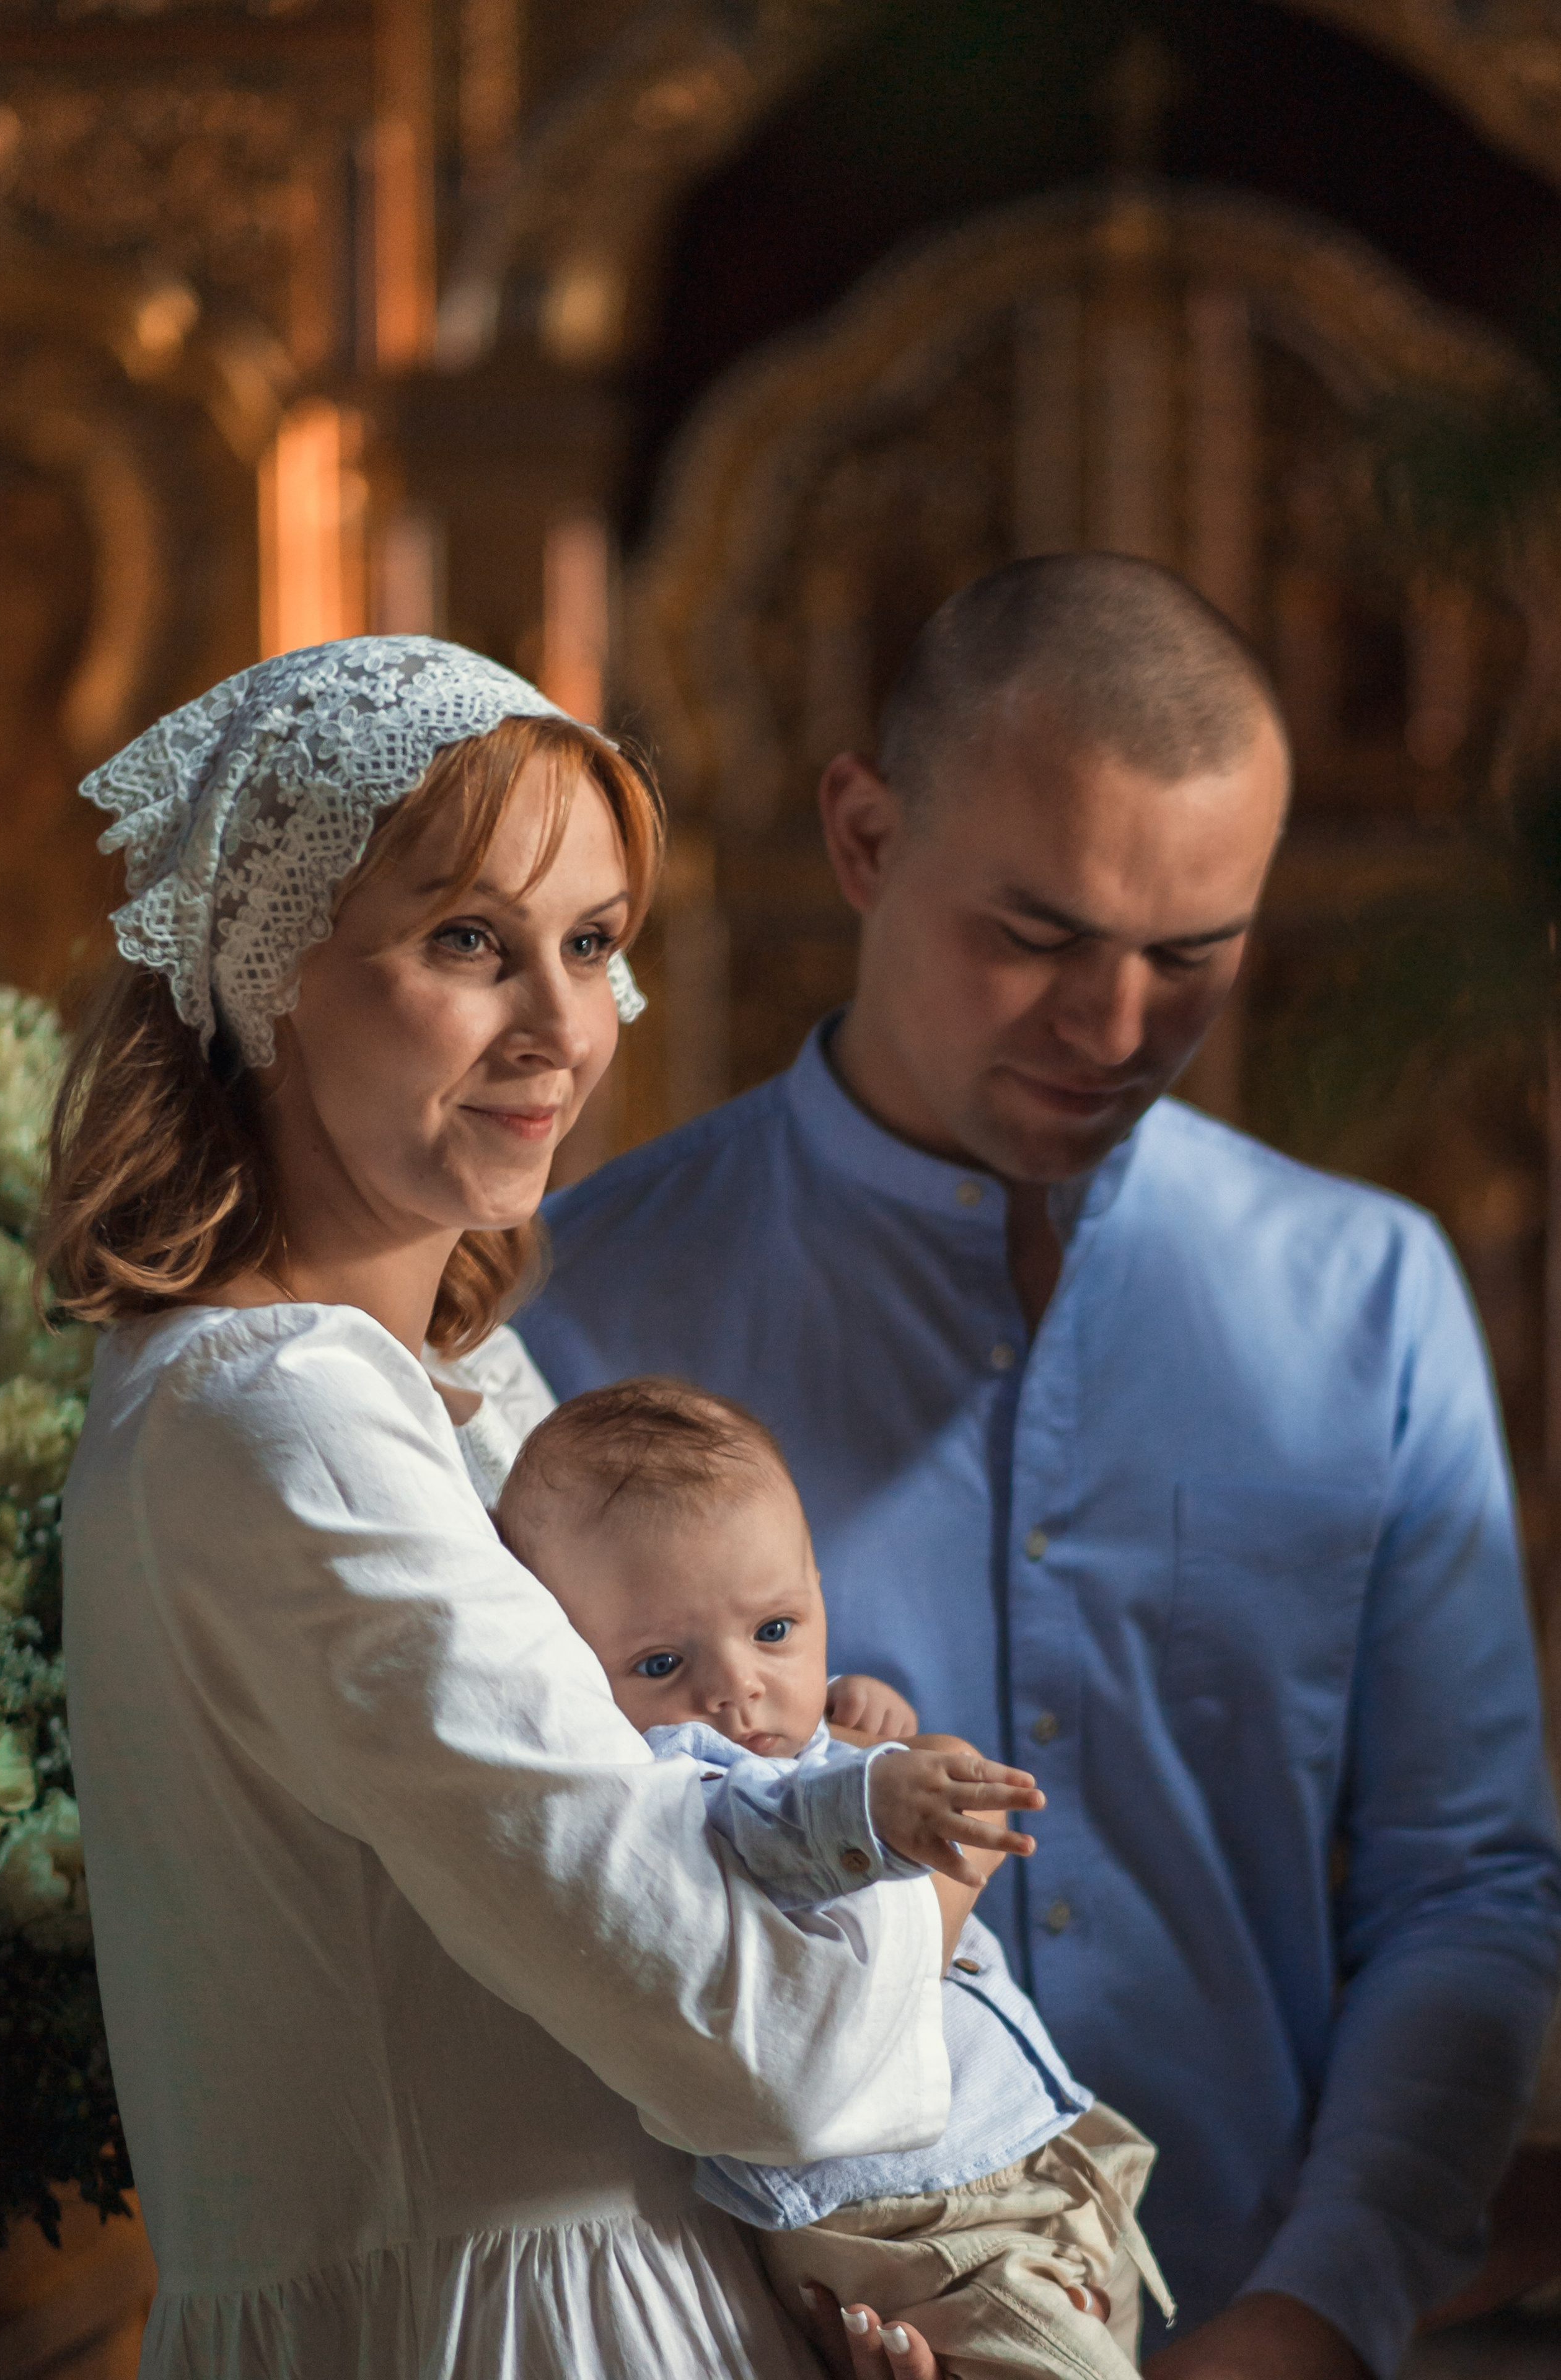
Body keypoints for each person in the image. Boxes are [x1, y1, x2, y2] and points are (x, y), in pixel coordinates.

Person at [516, 555, 1561, 2380]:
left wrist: (1316, 2318)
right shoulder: (571, 1306)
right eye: (1037, 935)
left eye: (1191, 955)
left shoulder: (1371, 1297)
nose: (1114, 1028)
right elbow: (515, 1896)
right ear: (861, 831)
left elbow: (1464, 1886)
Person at [46, 636, 954, 2380]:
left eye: (597, 944)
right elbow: (745, 2032)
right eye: (471, 941)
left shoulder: (464, 1396)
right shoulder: (281, 1424)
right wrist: (928, 1868)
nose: (567, 1025)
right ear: (271, 963)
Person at [494, 1372, 1176, 2380]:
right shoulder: (668, 1784)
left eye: (775, 1630)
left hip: (1025, 2156)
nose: (737, 1688)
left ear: (819, 1594)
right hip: (922, 2222)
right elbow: (768, 1832)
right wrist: (871, 1796)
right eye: (659, 1665)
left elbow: (804, 1769)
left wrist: (853, 1722)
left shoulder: (789, 1736)